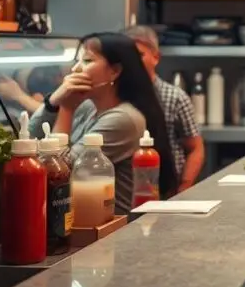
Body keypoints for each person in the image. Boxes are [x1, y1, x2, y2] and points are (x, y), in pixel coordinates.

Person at [29, 32, 179, 212]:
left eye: (87, 61)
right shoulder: (88, 106)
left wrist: (66, 109)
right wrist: (53, 101)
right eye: (77, 61)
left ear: (115, 71)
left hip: (112, 230)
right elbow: (32, 136)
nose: (75, 69)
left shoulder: (124, 119)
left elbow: (60, 173)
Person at [125, 25, 205, 192]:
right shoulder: (117, 96)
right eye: (128, 56)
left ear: (156, 57)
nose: (133, 63)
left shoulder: (175, 97)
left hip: (167, 189)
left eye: (139, 55)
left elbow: (195, 148)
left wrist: (183, 188)